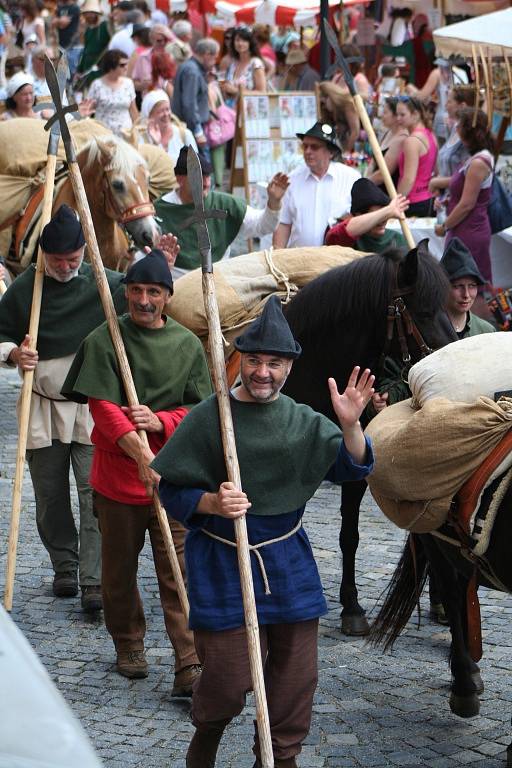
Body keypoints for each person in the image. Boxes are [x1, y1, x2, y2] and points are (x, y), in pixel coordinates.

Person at [152, 295, 375, 767]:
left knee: (295, 677)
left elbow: (352, 468)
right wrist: (211, 501)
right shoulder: (210, 418)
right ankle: (208, 732)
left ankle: (279, 755)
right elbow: (169, 487)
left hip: (287, 561)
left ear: (289, 366)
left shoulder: (300, 420)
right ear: (240, 360)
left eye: (274, 362)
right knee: (229, 679)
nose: (262, 372)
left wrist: (351, 426)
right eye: (254, 360)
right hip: (223, 561)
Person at [62, 249, 212, 690]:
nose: (143, 300)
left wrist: (161, 421)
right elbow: (102, 410)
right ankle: (128, 641)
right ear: (125, 293)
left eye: (153, 292)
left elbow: (199, 411)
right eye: (135, 291)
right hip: (118, 483)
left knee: (179, 572)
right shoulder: (104, 340)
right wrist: (143, 455)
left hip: (176, 483)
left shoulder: (186, 345)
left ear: (167, 296)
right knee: (118, 571)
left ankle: (188, 661)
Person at [0, 205, 127, 611]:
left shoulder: (105, 285)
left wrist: (164, 261)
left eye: (73, 259)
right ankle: (65, 567)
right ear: (44, 255)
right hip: (42, 408)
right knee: (50, 496)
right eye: (58, 261)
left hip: (91, 408)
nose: (66, 267)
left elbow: (146, 294)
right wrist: (15, 353)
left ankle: (93, 579)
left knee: (94, 492)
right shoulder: (26, 288)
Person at [155, 146, 289, 276]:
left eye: (208, 176)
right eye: (199, 176)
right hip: (176, 285)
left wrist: (274, 202)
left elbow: (263, 226)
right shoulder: (159, 210)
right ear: (180, 179)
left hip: (218, 282)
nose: (206, 183)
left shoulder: (225, 204)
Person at [273, 121, 360, 249]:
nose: (308, 151)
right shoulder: (291, 179)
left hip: (339, 262)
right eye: (305, 146)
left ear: (331, 152)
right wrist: (277, 255)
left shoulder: (351, 178)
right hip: (300, 261)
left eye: (314, 147)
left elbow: (362, 218)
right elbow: (284, 223)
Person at [435, 108, 494, 286]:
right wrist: (448, 201)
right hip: (464, 230)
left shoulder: (478, 162)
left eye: (458, 123)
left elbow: (467, 204)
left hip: (470, 232)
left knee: (470, 285)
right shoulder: (475, 158)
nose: (455, 126)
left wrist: (444, 226)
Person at [325, 178, 409, 252]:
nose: (382, 221)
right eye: (378, 215)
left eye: (386, 215)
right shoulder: (349, 241)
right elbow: (333, 236)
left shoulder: (397, 239)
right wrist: (388, 210)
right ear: (358, 215)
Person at [172, 37, 220, 160]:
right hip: (192, 128)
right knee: (203, 169)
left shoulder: (190, 67)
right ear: (207, 54)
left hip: (189, 126)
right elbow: (189, 103)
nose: (215, 62)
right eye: (214, 57)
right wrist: (198, 131)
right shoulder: (192, 71)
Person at [440, 237, 495, 338]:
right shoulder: (430, 331)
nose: (466, 295)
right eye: (458, 286)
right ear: (443, 287)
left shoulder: (486, 332)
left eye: (472, 286)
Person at [428, 86, 476, 198]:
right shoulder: (455, 129)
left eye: (449, 101)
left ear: (462, 106)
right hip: (445, 200)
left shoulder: (469, 136)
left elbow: (467, 176)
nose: (445, 106)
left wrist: (437, 182)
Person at [395, 95, 438, 217]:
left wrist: (395, 203)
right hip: (428, 199)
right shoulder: (430, 134)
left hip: (413, 201)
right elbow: (435, 169)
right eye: (397, 114)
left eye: (402, 115)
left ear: (415, 115)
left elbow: (408, 179)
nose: (398, 118)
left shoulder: (412, 141)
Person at [87, 48, 138, 135]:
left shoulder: (128, 84)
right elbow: (88, 110)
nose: (126, 67)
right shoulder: (97, 85)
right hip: (103, 134)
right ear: (111, 66)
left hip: (125, 134)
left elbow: (133, 110)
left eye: (127, 64)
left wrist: (137, 129)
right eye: (122, 65)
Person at [139, 89, 197, 161]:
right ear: (150, 116)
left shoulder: (184, 135)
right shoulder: (143, 139)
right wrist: (155, 143)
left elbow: (196, 165)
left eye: (167, 109)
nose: (166, 114)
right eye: (160, 111)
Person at [368, 97, 409, 190]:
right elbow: (373, 162)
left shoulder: (401, 139)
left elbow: (383, 175)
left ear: (396, 116)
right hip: (374, 186)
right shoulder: (388, 133)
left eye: (385, 112)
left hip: (386, 192)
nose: (382, 115)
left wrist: (364, 183)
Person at [220, 26, 266, 107]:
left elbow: (262, 92)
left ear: (250, 43)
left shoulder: (256, 63)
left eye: (244, 40)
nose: (240, 43)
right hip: (231, 109)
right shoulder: (233, 63)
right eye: (237, 40)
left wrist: (236, 91)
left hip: (249, 112)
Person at [75, 0, 111, 91]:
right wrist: (80, 70)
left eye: (91, 13)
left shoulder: (105, 26)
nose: (89, 15)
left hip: (101, 67)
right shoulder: (87, 30)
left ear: (97, 13)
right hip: (88, 67)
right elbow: (85, 51)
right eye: (86, 13)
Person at [131, 24, 174, 98]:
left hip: (171, 101)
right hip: (150, 101)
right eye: (159, 41)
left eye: (166, 40)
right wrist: (142, 85)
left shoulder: (174, 56)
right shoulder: (143, 57)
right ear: (151, 40)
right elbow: (134, 83)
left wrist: (172, 37)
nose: (163, 43)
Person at [52, 0, 81, 77]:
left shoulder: (75, 8)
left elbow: (63, 24)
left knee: (71, 73)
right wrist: (59, 21)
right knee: (61, 73)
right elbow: (53, 23)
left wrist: (58, 21)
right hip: (61, 45)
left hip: (73, 46)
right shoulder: (59, 7)